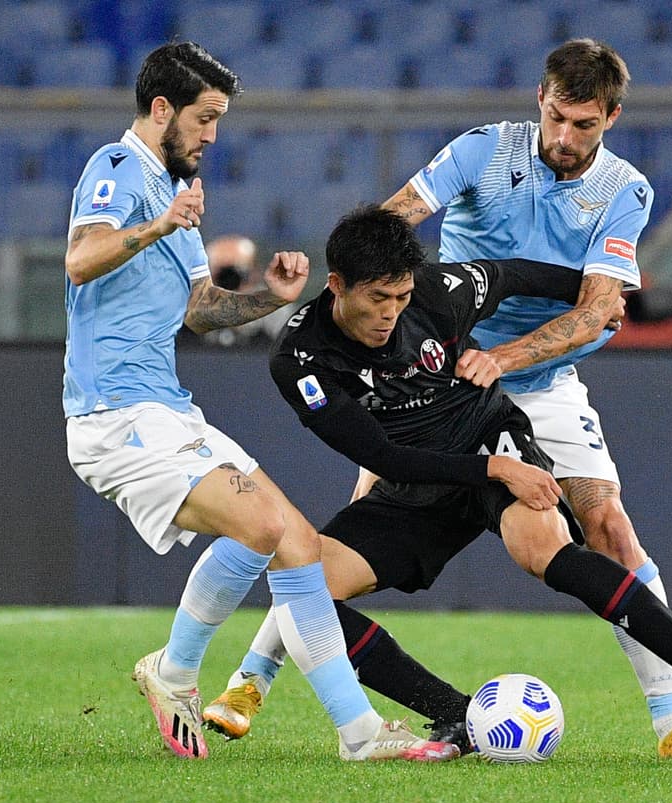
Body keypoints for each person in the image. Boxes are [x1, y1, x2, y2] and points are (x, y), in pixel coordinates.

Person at [204, 207, 672, 766]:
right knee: (310, 590)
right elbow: (380, 455)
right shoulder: (300, 358)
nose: (391, 314)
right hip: (422, 474)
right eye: (377, 300)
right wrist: (497, 471)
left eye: (400, 298)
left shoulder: (438, 292)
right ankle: (456, 713)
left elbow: (516, 274)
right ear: (337, 286)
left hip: (487, 436)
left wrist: (595, 297)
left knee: (543, 548)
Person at [62, 42, 457, 763]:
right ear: (161, 110)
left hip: (167, 409)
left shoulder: (173, 191)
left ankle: (359, 732)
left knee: (298, 543)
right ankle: (175, 670)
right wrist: (160, 223)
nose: (212, 135)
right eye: (204, 118)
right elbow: (82, 259)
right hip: (114, 414)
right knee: (262, 523)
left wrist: (268, 298)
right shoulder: (117, 170)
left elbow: (198, 310)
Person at [375, 37, 672, 761]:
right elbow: (395, 218)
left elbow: (599, 312)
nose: (564, 138)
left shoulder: (625, 191)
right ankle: (251, 680)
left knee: (611, 529)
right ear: (540, 98)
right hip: (442, 379)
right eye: (557, 117)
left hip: (540, 383)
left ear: (612, 118)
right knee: (355, 524)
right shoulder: (484, 151)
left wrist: (504, 357)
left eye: (584, 125)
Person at [196, 234, 291, 347]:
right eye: (222, 276)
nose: (229, 282)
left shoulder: (275, 311)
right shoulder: (188, 309)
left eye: (236, 273)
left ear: (255, 273)